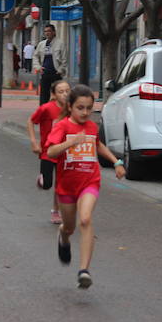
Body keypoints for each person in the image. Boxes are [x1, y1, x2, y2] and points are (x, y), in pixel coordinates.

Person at [46, 84, 126, 289]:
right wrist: (69, 144)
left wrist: (115, 162)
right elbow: (52, 152)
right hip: (66, 187)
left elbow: (97, 144)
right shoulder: (62, 126)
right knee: (70, 227)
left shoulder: (91, 127)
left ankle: (84, 270)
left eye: (89, 108)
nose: (85, 112)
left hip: (89, 180)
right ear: (71, 107)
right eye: (80, 108)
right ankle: (63, 237)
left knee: (86, 218)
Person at [27, 80, 71, 225]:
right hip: (48, 151)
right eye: (61, 92)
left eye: (67, 91)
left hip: (64, 151)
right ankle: (42, 180)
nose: (65, 94)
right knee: (47, 184)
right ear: (53, 94)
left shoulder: (72, 110)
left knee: (61, 183)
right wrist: (34, 141)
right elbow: (31, 121)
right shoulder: (46, 108)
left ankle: (55, 211)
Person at [33, 24, 68, 105]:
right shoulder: (41, 44)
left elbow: (64, 59)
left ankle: (59, 110)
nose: (47, 33)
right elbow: (35, 56)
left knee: (59, 94)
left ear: (54, 32)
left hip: (56, 73)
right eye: (45, 31)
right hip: (45, 72)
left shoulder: (60, 43)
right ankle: (43, 111)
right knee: (44, 95)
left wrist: (60, 70)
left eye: (49, 31)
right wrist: (38, 67)